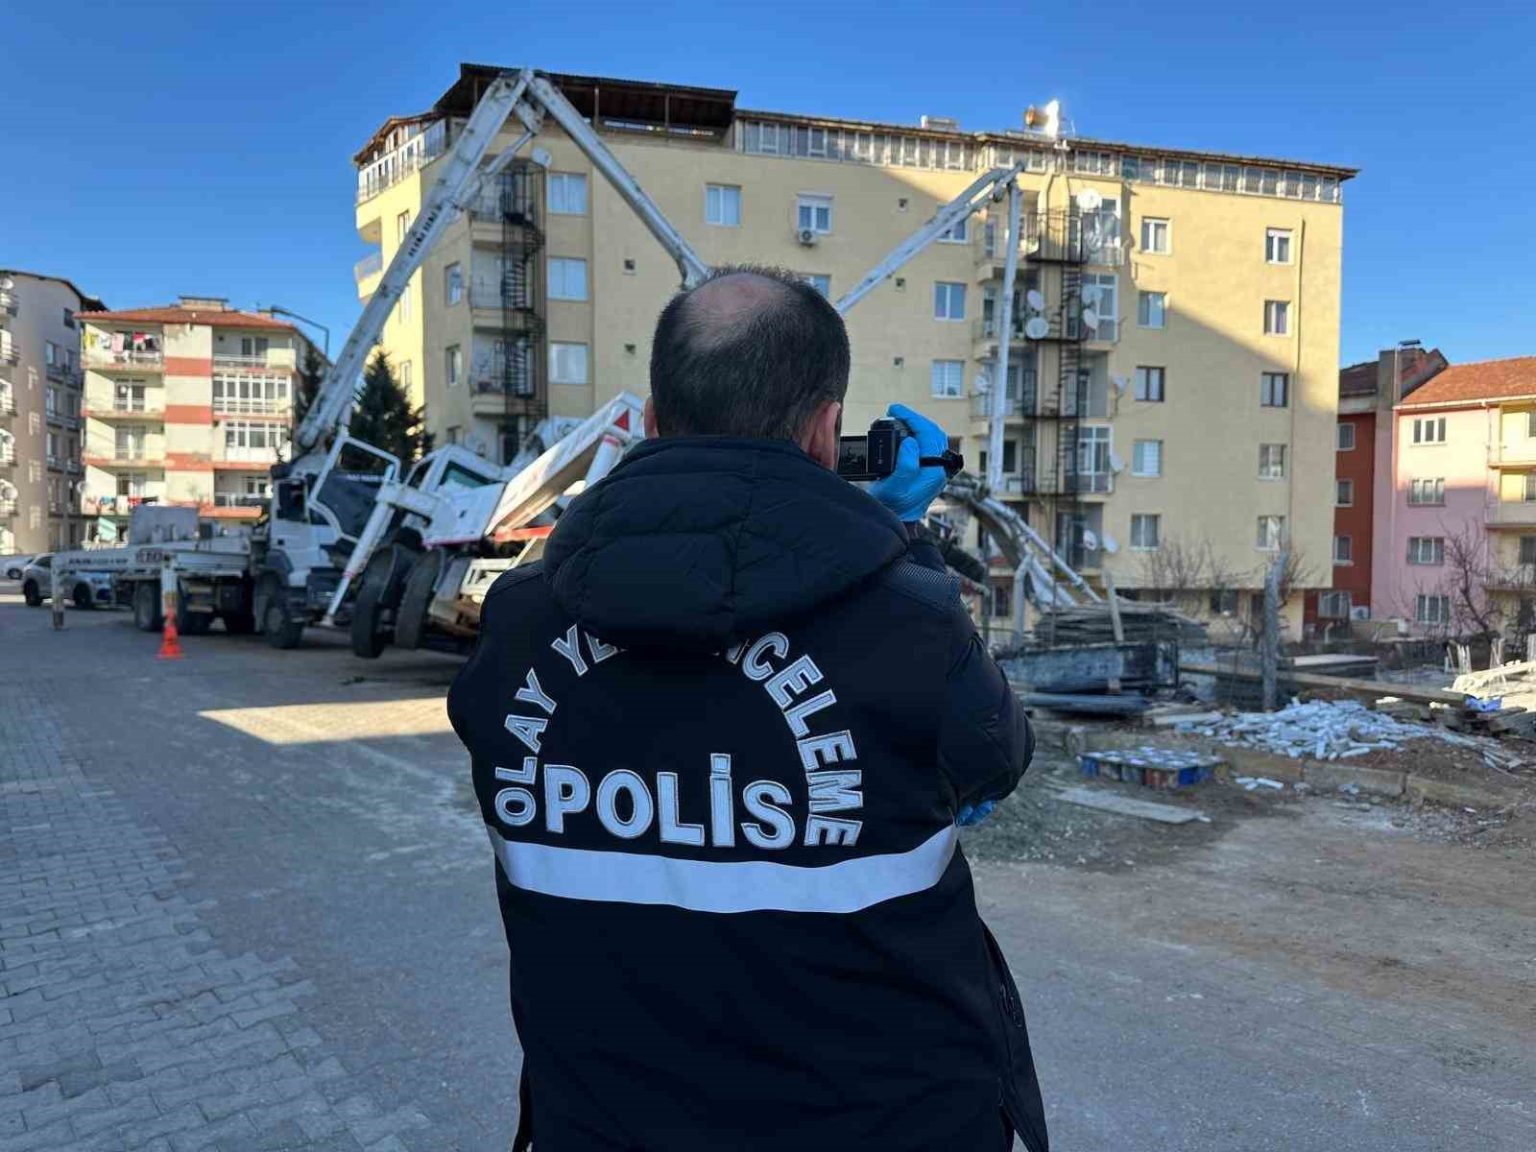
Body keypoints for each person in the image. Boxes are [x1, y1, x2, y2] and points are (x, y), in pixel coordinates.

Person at [448, 265, 1046, 1152]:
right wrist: (901, 540)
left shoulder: (518, 623)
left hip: (603, 1126)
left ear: (653, 422)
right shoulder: (908, 620)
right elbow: (994, 759)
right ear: (826, 430)